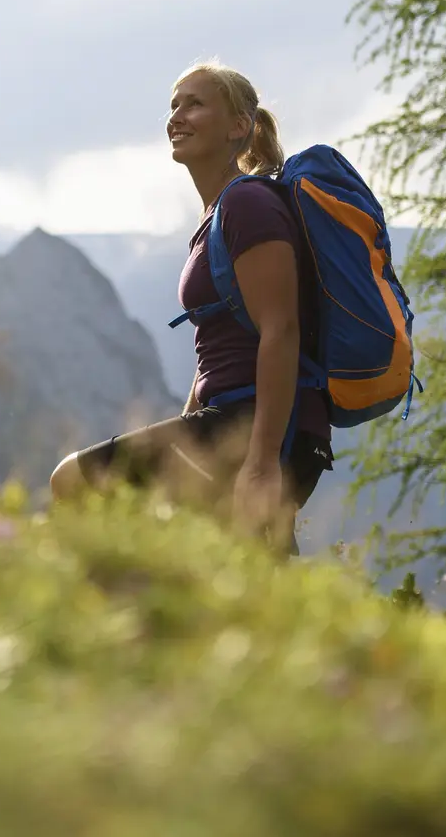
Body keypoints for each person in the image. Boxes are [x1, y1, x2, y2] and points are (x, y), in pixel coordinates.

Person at [48, 61, 333, 554]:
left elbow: (280, 330)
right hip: (242, 423)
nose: (176, 115)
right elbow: (219, 350)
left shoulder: (249, 204)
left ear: (239, 126)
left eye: (195, 104)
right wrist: (187, 417)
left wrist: (262, 463)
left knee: (73, 480)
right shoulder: (219, 213)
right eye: (174, 104)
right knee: (231, 575)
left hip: (260, 430)